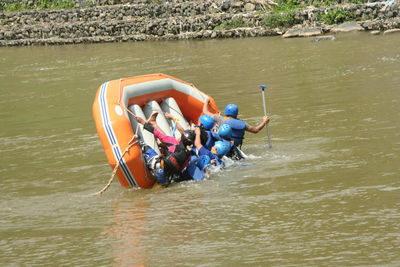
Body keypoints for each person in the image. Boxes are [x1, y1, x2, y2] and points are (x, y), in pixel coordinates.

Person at [136, 112, 195, 185]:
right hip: (169, 177)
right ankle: (154, 123)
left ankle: (152, 124)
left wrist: (142, 122)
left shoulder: (174, 142)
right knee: (165, 142)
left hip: (158, 167)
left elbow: (158, 134)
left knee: (143, 146)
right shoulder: (189, 155)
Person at [202, 96, 270, 147]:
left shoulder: (220, 119)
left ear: (226, 111)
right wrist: (264, 122)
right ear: (236, 114)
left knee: (214, 126)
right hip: (235, 146)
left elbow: (205, 112)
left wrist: (206, 101)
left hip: (223, 145)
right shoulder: (242, 123)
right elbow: (256, 130)